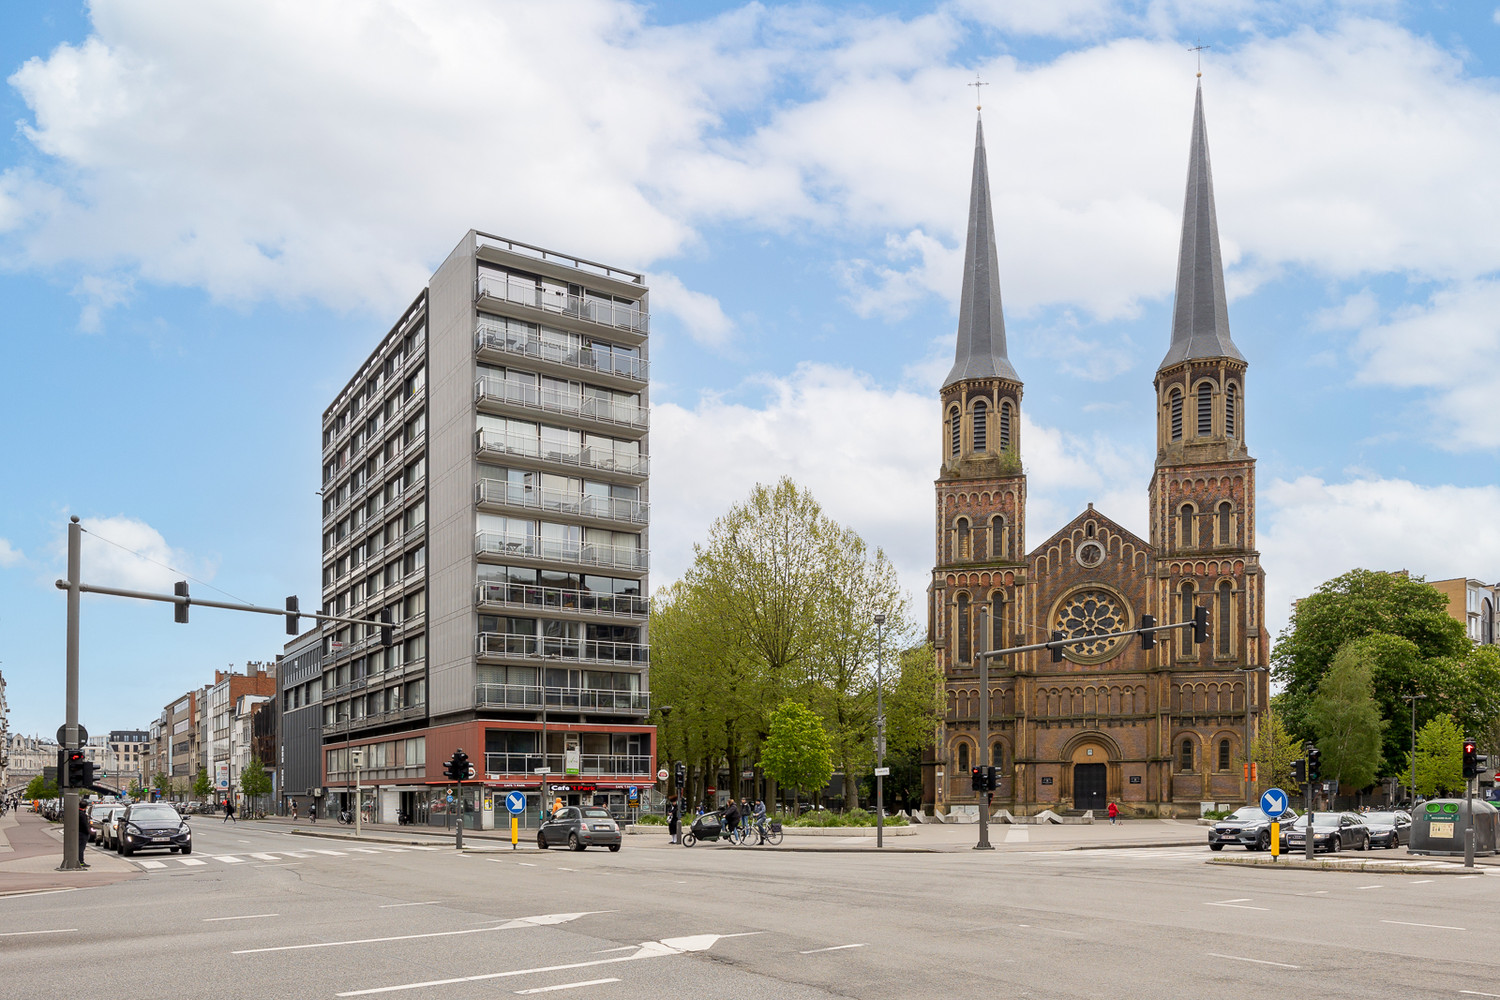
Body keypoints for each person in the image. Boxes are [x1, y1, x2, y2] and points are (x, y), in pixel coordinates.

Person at [76, 800, 91, 867]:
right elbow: (85, 825)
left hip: (78, 832)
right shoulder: (82, 814)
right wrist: (88, 832)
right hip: (82, 833)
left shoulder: (77, 813)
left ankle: (79, 860)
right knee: (81, 848)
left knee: (79, 847)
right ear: (86, 807)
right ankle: (81, 861)